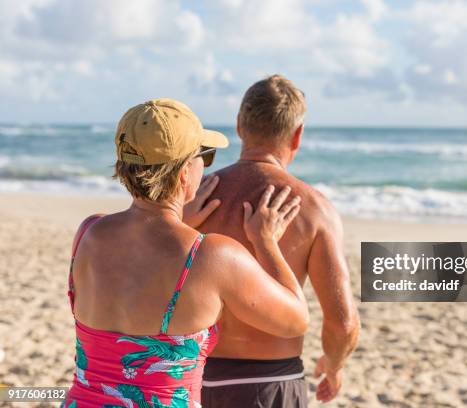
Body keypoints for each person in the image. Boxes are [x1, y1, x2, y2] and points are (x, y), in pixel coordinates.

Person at [62, 98, 309, 408]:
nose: (205, 167)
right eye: (203, 157)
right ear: (182, 174)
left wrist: (178, 221)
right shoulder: (210, 255)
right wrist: (265, 242)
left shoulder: (88, 233)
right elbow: (295, 321)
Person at [193, 75, 360, 407]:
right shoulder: (314, 209)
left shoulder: (193, 196)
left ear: (239, 125)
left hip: (190, 376)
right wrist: (333, 363)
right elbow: (342, 322)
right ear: (297, 135)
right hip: (269, 383)